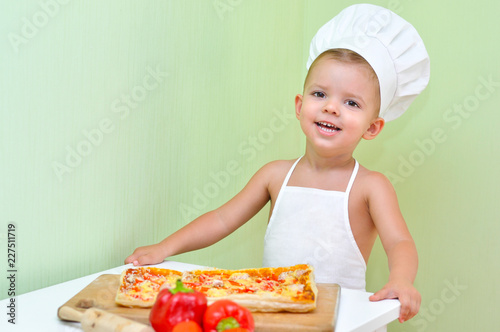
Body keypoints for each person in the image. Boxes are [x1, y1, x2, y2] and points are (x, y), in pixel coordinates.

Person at [125, 4, 430, 323]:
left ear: (372, 127)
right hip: (275, 316)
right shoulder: (274, 174)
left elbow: (399, 242)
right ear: (300, 106)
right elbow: (222, 219)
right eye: (320, 94)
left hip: (343, 321)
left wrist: (402, 279)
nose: (331, 108)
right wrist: (164, 248)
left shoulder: (371, 186)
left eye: (351, 102)